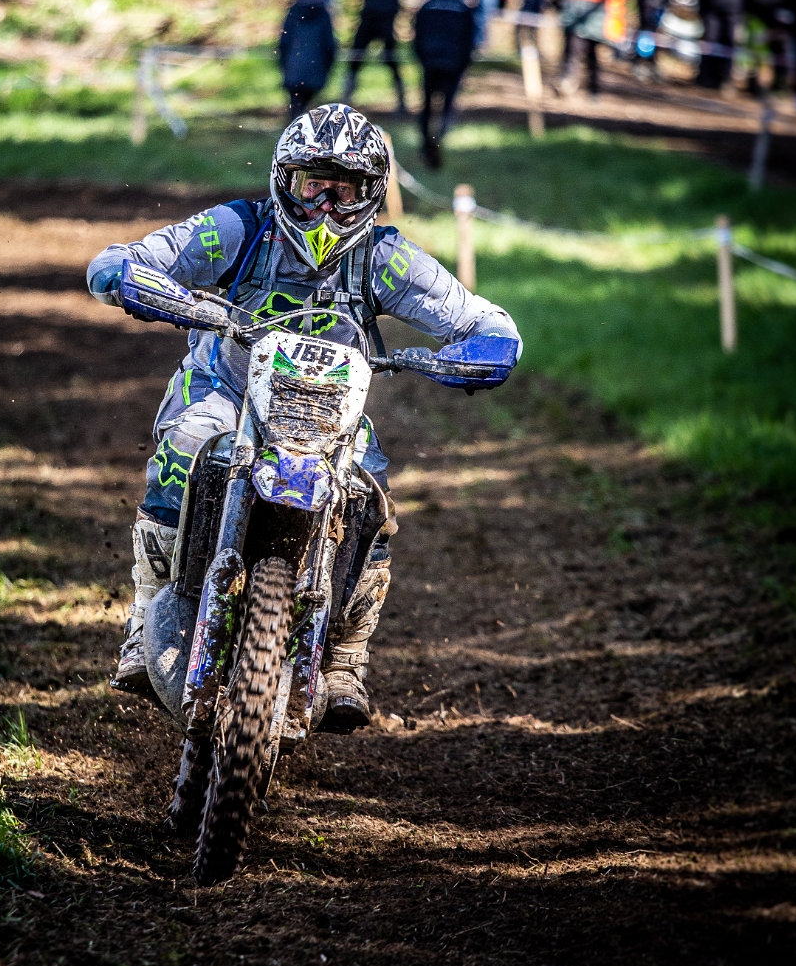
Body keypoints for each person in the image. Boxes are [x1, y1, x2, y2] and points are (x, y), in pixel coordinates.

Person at [87, 103, 522, 729]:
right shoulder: (239, 229)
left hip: (328, 412)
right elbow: (122, 259)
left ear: (371, 194)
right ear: (283, 180)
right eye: (312, 185)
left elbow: (483, 321)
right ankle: (146, 616)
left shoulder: (383, 257)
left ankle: (344, 656)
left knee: (370, 500)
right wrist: (138, 282)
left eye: (343, 191)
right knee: (185, 450)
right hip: (228, 389)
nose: (323, 206)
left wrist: (482, 351)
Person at [413, 0, 477, 167]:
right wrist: (463, 64)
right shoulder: (463, 10)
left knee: (427, 106)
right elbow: (470, 41)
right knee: (447, 106)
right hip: (452, 66)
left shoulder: (429, 6)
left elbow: (417, 35)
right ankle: (438, 140)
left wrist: (423, 59)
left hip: (430, 63)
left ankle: (427, 143)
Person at [278, 0, 337, 118]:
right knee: (306, 109)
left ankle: (294, 125)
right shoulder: (323, 13)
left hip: (293, 68)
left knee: (296, 108)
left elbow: (284, 41)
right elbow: (329, 44)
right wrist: (328, 68)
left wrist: (284, 65)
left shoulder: (294, 11)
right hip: (316, 68)